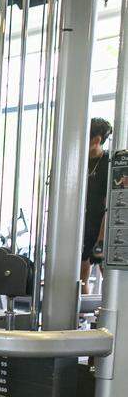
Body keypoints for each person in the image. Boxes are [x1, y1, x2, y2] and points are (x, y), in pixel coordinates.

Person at [81, 118, 112, 294]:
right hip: (82, 226)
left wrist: (101, 239)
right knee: (80, 277)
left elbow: (110, 204)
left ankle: (110, 317)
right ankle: (81, 318)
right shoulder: (79, 161)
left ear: (97, 140)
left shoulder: (109, 163)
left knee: (108, 276)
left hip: (102, 224)